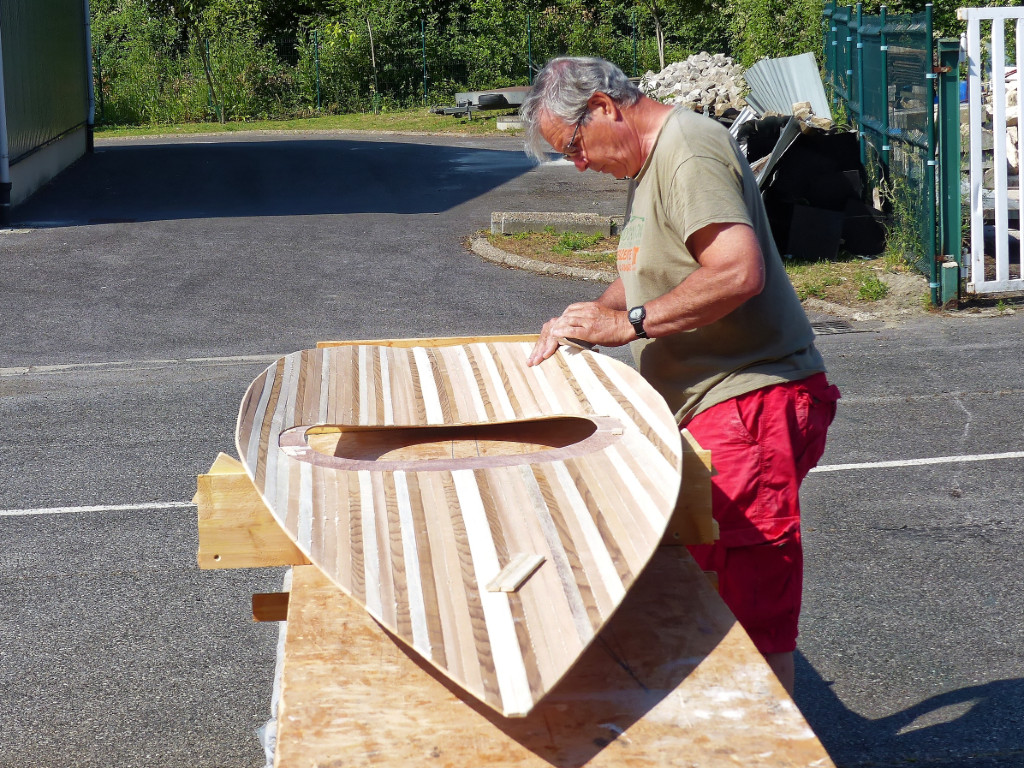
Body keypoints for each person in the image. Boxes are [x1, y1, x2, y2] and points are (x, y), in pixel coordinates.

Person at [518, 56, 840, 694]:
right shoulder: (649, 168)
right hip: (714, 409)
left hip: (748, 402)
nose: (578, 164)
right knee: (701, 588)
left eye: (575, 147)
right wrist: (592, 313)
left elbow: (735, 272)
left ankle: (769, 748)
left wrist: (631, 324)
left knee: (749, 609)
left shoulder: (688, 150)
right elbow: (654, 270)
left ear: (606, 106)